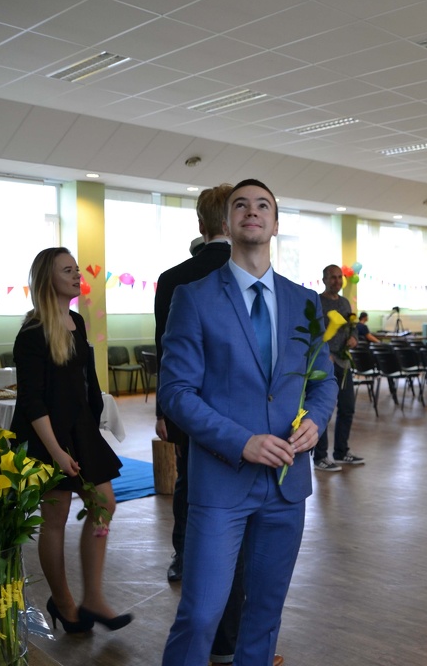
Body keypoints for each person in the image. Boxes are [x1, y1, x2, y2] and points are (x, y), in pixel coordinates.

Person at [159, 179, 337, 666]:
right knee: (201, 615)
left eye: (263, 206)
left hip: (286, 483)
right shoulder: (194, 298)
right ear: (227, 222)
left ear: (275, 224)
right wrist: (242, 442)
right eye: (241, 205)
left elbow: (323, 382)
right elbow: (175, 393)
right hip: (221, 482)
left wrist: (316, 422)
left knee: (265, 614)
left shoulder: (304, 301)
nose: (252, 211)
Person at [11, 247, 132, 634]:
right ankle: (63, 603)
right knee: (56, 517)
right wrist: (57, 453)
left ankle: (93, 597)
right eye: (68, 270)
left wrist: (94, 424)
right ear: (47, 279)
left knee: (104, 503)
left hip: (81, 430)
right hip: (48, 436)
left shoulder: (76, 321)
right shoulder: (32, 334)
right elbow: (32, 402)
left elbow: (86, 380)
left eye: (77, 269)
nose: (77, 275)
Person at [154, 184, 252, 665]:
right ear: (234, 221)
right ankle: (230, 638)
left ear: (200, 224)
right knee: (242, 522)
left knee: (193, 495)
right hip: (248, 420)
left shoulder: (173, 279)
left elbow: (167, 352)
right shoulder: (251, 274)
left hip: (192, 414)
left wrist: (165, 411)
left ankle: (187, 566)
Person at [312, 264, 365, 472]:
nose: (337, 281)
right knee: (323, 409)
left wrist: (354, 338)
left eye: (339, 277)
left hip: (343, 362)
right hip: (324, 364)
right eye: (332, 277)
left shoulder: (344, 302)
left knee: (347, 407)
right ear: (324, 280)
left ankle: (341, 452)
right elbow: (313, 332)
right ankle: (320, 456)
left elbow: (352, 327)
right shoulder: (317, 301)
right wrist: (325, 354)